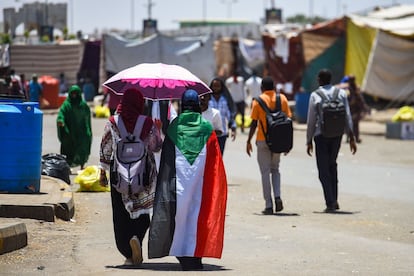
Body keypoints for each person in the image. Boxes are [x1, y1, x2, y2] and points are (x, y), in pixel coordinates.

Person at [148, 89, 227, 271]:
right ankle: (194, 255)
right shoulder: (207, 128)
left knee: (178, 217)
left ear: (183, 105)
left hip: (178, 185)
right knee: (196, 219)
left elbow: (167, 159)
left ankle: (182, 254)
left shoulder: (174, 126)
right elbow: (216, 162)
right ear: (197, 105)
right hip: (200, 185)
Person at [99, 88, 162, 266]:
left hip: (118, 174)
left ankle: (127, 253)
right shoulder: (147, 122)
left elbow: (106, 147)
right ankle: (137, 237)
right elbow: (156, 146)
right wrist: (158, 130)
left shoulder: (113, 121)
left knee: (120, 214)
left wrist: (102, 172)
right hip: (143, 175)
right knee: (142, 211)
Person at [306, 69, 357, 213]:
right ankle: (334, 198)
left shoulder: (315, 95)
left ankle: (330, 202)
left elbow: (311, 121)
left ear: (319, 79)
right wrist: (351, 137)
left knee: (323, 171)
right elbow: (347, 115)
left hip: (321, 136)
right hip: (337, 135)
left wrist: (308, 140)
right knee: (332, 166)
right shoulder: (340, 93)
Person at [246, 76, 292, 215]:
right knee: (275, 169)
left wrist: (248, 141)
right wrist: (287, 143)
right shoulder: (282, 99)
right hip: (278, 140)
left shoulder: (258, 101)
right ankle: (277, 196)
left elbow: (254, 123)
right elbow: (288, 119)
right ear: (274, 87)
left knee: (265, 172)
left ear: (262, 88)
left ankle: (268, 204)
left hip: (263, 139)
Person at [56, 85, 92, 170]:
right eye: (72, 94)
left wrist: (88, 130)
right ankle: (67, 166)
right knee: (68, 149)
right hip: (70, 131)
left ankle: (82, 165)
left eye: (76, 94)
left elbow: (87, 118)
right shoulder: (66, 105)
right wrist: (61, 121)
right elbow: (61, 114)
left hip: (81, 131)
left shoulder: (83, 105)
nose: (74, 96)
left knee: (82, 147)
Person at [208, 77, 236, 154]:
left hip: (222, 134)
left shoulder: (225, 99)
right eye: (214, 86)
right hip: (209, 133)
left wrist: (233, 128)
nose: (216, 88)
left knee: (220, 156)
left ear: (221, 87)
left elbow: (230, 114)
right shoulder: (207, 99)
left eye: (218, 86)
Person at [346, 75, 370, 143]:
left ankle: (352, 138)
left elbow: (360, 99)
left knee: (352, 124)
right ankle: (353, 138)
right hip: (354, 109)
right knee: (353, 124)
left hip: (353, 109)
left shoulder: (353, 89)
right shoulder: (352, 89)